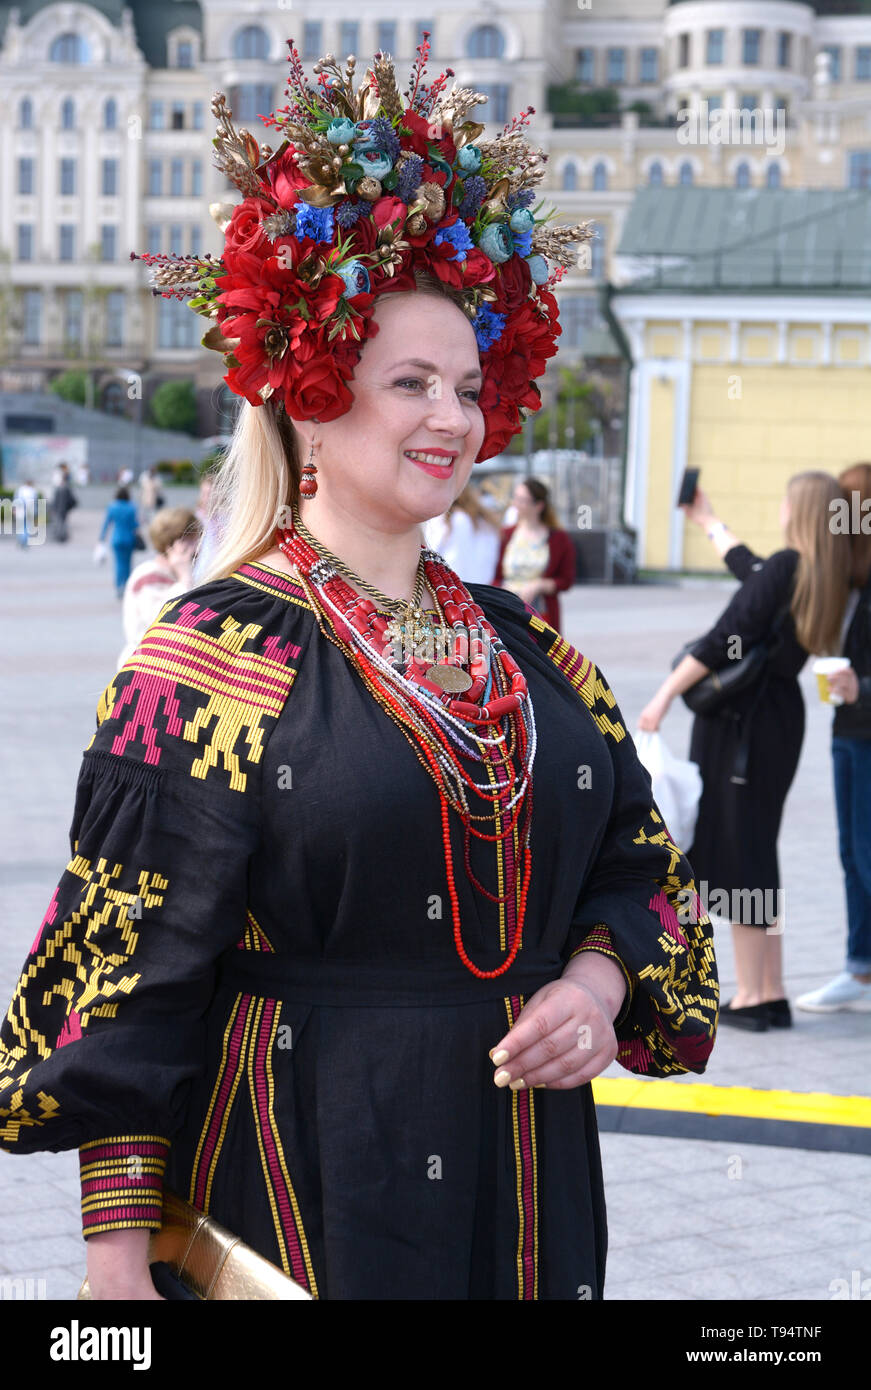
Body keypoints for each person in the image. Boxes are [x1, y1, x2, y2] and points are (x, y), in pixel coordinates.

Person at [0, 41, 716, 1303]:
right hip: (304, 1187)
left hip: (527, 1187)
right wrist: (115, 1285)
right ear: (312, 399)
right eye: (409, 383)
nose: (454, 417)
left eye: (467, 383)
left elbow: (638, 863)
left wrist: (598, 985)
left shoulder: (531, 651)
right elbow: (131, 984)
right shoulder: (206, 657)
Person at [639, 475, 852, 1032]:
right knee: (754, 850)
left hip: (743, 728)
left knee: (740, 856)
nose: (779, 506)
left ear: (798, 512)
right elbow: (748, 572)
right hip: (775, 723)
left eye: (786, 498)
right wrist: (708, 521)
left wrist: (661, 698)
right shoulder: (821, 572)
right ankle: (768, 990)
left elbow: (723, 635)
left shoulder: (787, 566)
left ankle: (757, 996)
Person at [798, 463, 871, 1013]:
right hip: (848, 730)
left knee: (866, 855)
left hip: (863, 729)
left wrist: (861, 685)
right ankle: (859, 968)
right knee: (851, 853)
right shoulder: (848, 582)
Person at [117, 508, 200, 668]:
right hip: (144, 668)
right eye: (191, 539)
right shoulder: (150, 574)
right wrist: (185, 578)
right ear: (174, 543)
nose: (197, 547)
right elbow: (159, 620)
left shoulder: (171, 575)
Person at [495, 478, 576, 632]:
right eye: (515, 498)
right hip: (506, 610)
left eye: (522, 500)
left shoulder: (559, 538)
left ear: (539, 506)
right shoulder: (505, 534)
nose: (516, 504)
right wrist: (503, 590)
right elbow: (494, 575)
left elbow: (566, 580)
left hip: (541, 613)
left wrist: (539, 585)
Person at [423, 483, 501, 583]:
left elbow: (431, 549)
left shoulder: (450, 519)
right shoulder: (486, 522)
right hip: (482, 584)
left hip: (452, 584)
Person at [99, 486, 140, 599]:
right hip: (129, 539)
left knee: (118, 564)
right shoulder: (132, 507)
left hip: (116, 539)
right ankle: (127, 587)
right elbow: (135, 525)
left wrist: (101, 538)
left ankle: (118, 587)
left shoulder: (112, 507)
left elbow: (106, 523)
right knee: (127, 564)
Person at [49, 462, 77, 543]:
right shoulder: (62, 485)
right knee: (62, 522)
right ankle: (62, 536)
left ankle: (61, 536)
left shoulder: (63, 486)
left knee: (61, 522)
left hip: (61, 507)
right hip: (62, 507)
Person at [11, 478, 39, 548]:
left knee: (21, 526)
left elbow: (16, 500)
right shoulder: (33, 491)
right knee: (28, 526)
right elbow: (35, 502)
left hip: (21, 511)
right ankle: (25, 541)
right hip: (30, 511)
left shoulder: (20, 490)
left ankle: (22, 540)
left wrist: (14, 509)